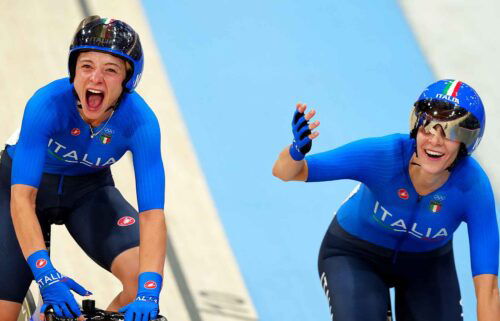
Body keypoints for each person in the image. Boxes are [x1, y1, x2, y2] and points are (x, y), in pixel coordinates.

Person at [273, 79, 500, 321]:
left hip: (426, 267)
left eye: (450, 132)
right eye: (427, 127)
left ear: (467, 142)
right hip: (355, 254)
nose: (434, 140)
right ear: (415, 128)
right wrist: (296, 151)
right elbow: (285, 172)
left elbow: (488, 292)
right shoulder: (383, 155)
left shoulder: (474, 187)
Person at [0, 16, 166, 321]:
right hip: (21, 186)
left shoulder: (141, 122)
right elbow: (22, 198)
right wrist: (45, 274)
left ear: (128, 79)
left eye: (110, 70)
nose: (96, 79)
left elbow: (153, 215)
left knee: (138, 278)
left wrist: (149, 292)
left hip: (88, 189)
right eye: (87, 66)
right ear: (74, 70)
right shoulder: (45, 104)